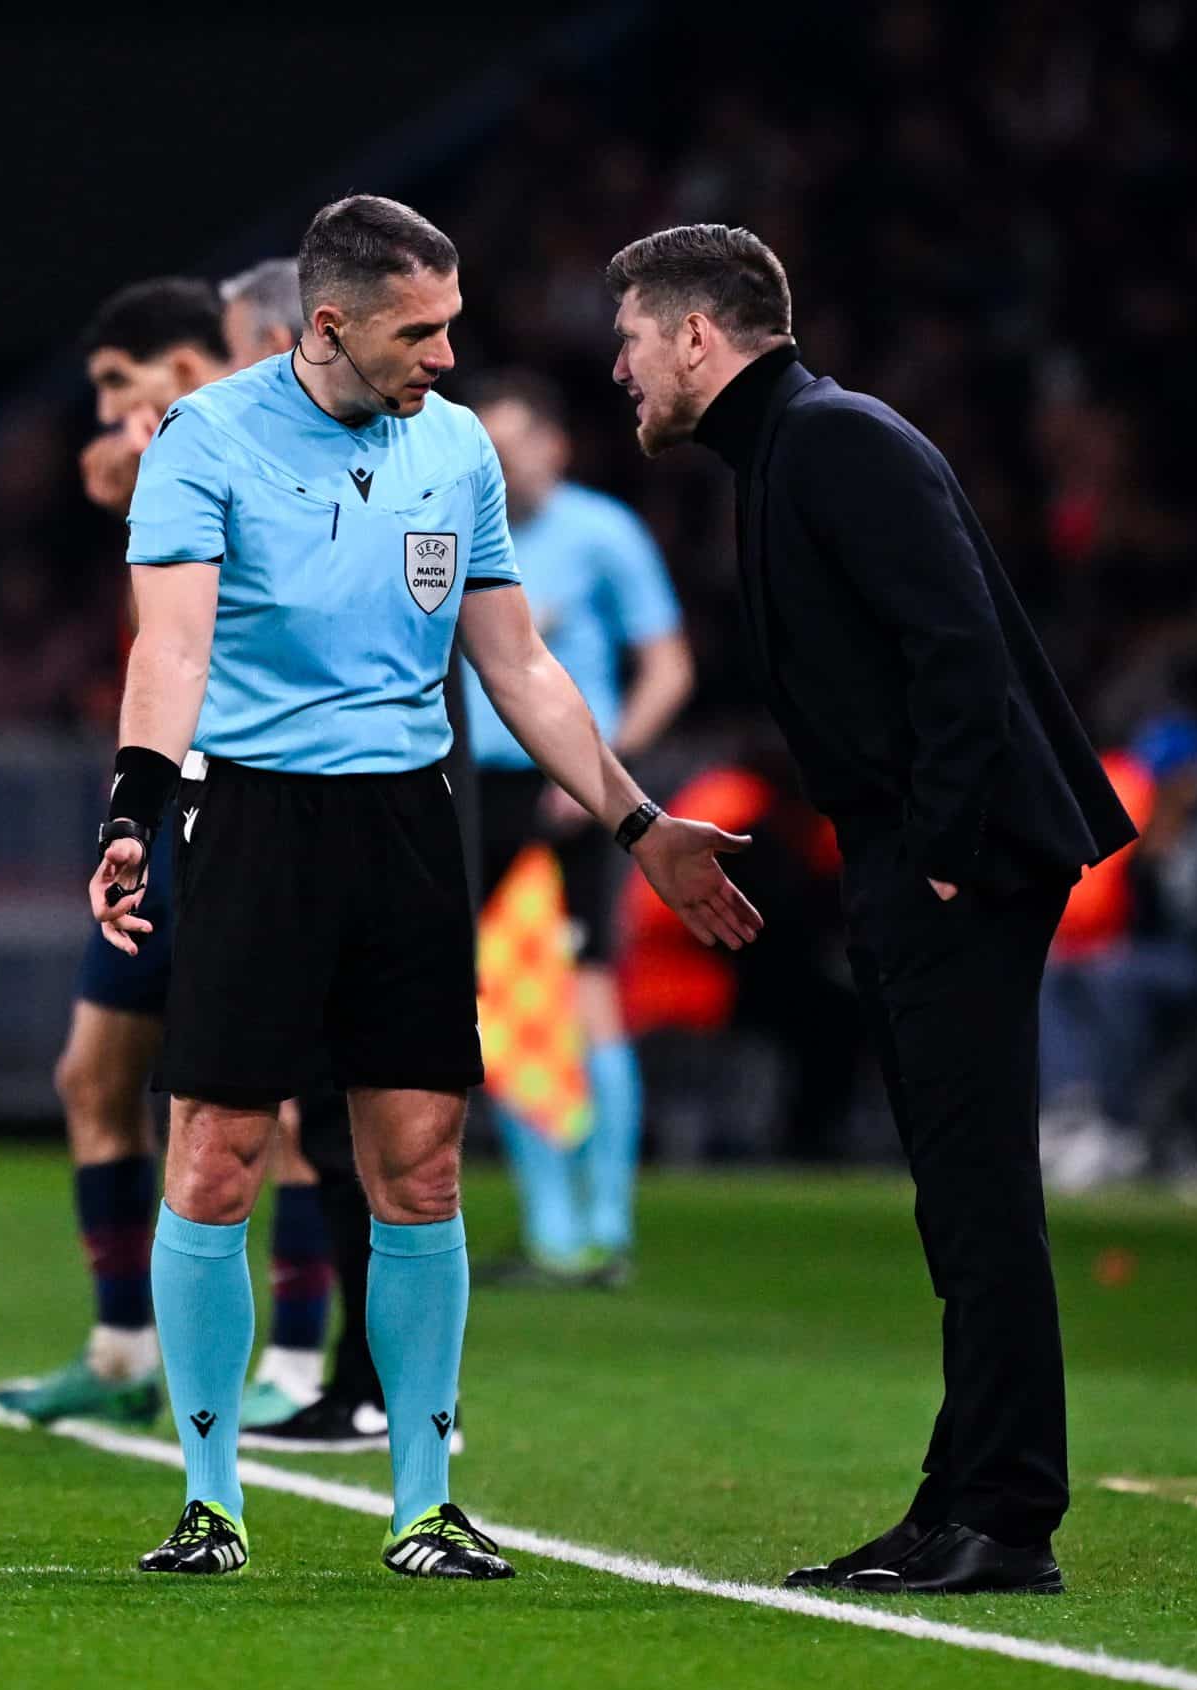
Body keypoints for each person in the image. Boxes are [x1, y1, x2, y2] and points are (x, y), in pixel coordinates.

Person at [91, 195, 758, 1581]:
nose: (450, 357)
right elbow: (172, 647)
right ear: (328, 325)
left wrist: (637, 821)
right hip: (256, 823)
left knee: (422, 1161)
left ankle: (424, 1498)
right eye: (423, 328)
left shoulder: (454, 453)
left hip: (409, 825)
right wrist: (133, 810)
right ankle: (211, 1498)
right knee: (216, 1154)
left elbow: (518, 667)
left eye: (453, 324)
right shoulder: (203, 440)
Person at [604, 223, 1135, 1595]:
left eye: (634, 340)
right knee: (957, 1198)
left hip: (953, 855)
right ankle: (959, 1494)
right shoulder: (796, 446)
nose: (623, 369)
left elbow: (954, 641)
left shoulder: (834, 441)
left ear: (700, 339)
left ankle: (1008, 1515)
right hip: (907, 849)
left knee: (978, 1196)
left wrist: (944, 851)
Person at [0, 266, 342, 1432]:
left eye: (115, 385)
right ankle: (121, 1350)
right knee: (93, 1077)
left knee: (284, 1104)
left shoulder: (293, 439)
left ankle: (295, 1363)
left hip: (260, 802)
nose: (104, 415)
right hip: (167, 809)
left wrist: (147, 469)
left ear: (187, 364)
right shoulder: (174, 452)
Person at [461, 371, 693, 1284]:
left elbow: (668, 666)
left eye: (513, 438)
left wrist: (604, 766)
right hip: (474, 787)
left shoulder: (602, 533)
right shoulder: (460, 533)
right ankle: (555, 1231)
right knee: (500, 998)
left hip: (571, 788)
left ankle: (608, 1227)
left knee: (588, 990)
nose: (499, 456)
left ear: (553, 445)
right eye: (487, 440)